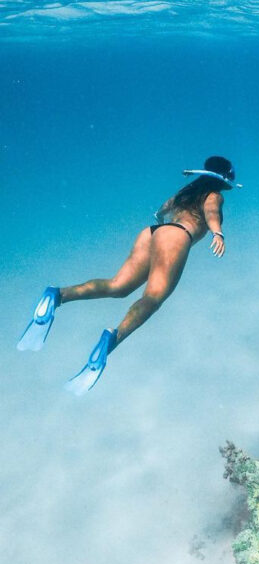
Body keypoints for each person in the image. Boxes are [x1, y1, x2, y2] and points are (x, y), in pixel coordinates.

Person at [17, 156, 241, 394]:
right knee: (153, 298)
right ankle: (113, 338)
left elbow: (162, 210)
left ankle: (58, 295)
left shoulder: (187, 191)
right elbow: (211, 211)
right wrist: (218, 233)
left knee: (118, 286)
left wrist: (162, 226)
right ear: (224, 177)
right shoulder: (215, 194)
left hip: (152, 233)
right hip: (177, 236)